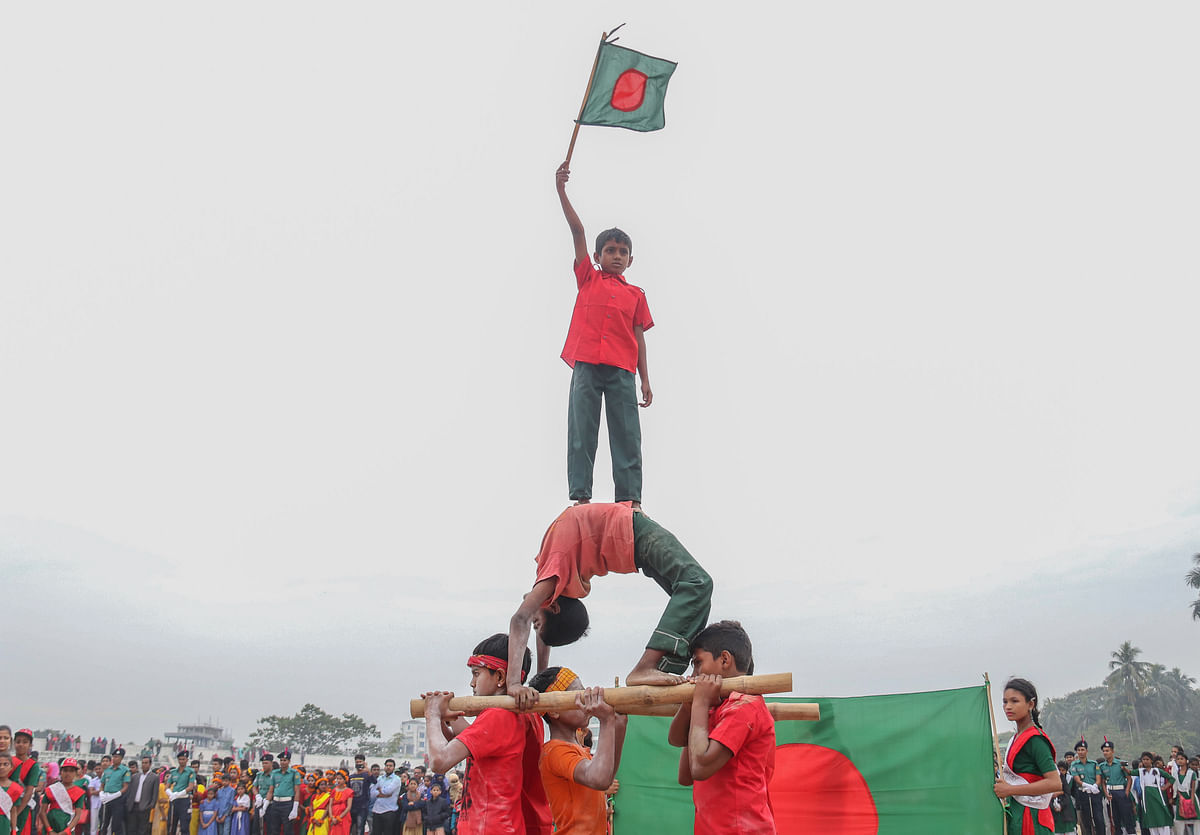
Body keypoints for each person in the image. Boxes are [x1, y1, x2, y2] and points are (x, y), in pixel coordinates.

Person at [508, 502, 713, 701]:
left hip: (633, 532)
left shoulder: (554, 569)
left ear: (553, 606)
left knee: (697, 585)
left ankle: (649, 667)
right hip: (632, 540)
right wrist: (541, 680)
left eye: (536, 624)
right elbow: (542, 630)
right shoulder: (553, 582)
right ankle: (662, 668)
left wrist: (514, 684)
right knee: (693, 596)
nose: (534, 621)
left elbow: (521, 618)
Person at [553, 161, 655, 510]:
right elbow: (578, 232)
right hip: (586, 364)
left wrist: (645, 379)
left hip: (622, 371)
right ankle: (581, 497)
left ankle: (630, 500)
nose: (616, 256)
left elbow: (639, 337)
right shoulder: (588, 278)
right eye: (610, 251)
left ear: (630, 259)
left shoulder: (636, 295)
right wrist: (561, 190)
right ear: (597, 257)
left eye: (622, 252)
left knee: (627, 433)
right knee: (582, 430)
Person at [422, 634, 552, 835]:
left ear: (500, 677)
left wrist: (432, 714)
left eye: (476, 674)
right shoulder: (525, 714)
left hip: (488, 827)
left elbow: (439, 762)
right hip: (505, 825)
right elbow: (477, 742)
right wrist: (446, 719)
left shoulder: (497, 715)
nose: (472, 683)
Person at [668, 621, 775, 835]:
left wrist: (699, 704)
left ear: (724, 659)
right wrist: (691, 707)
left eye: (698, 663)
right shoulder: (716, 707)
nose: (693, 674)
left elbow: (700, 768)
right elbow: (685, 773)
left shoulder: (746, 705)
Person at [526, 666, 626, 835]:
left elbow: (606, 777)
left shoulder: (578, 750)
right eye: (577, 695)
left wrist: (619, 723)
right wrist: (607, 721)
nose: (585, 702)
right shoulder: (555, 751)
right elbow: (599, 779)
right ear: (554, 710)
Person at [992, 678, 1059, 835]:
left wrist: (1009, 789)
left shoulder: (1035, 739)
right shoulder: (1015, 738)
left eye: (1014, 701)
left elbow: (1055, 783)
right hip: (1017, 814)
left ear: (1031, 704)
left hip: (1032, 818)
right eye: (1005, 701)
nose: (1008, 706)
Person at [39, 759, 87, 835]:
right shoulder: (51, 789)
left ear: (75, 773)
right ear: (61, 772)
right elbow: (42, 812)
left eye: (71, 771)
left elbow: (78, 815)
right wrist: (49, 830)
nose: (68, 773)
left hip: (67, 826)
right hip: (50, 825)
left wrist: (67, 831)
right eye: (65, 770)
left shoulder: (79, 792)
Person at [11, 730, 43, 835]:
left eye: (25, 742)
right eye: (18, 741)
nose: (21, 744)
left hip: (22, 807)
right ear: (14, 743)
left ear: (30, 745)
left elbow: (29, 792)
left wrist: (15, 813)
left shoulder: (33, 765)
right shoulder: (7, 762)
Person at [1099, 740, 1134, 835]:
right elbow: (1102, 782)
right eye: (1104, 751)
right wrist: (1106, 794)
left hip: (1121, 791)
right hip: (1110, 794)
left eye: (1107, 750)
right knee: (1115, 818)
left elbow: (1129, 778)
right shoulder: (1102, 766)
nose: (1105, 753)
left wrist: (1126, 791)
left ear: (1112, 751)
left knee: (1127, 817)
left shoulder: (1121, 763)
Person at [1069, 740, 1103, 835]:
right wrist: (1086, 785)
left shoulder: (1093, 764)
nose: (1080, 752)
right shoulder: (1074, 765)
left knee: (1099, 818)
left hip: (1095, 792)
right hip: (1082, 793)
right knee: (1086, 819)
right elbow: (1077, 779)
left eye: (1082, 749)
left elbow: (1098, 777)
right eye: (1078, 750)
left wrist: (1095, 786)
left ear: (1086, 751)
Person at [1137, 752, 1174, 835]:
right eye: (1144, 759)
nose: (1145, 761)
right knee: (1151, 819)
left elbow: (1171, 779)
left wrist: (1165, 787)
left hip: (1158, 796)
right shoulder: (1141, 772)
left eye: (1147, 759)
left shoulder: (1157, 771)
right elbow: (1130, 773)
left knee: (1161, 815)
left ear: (1151, 760)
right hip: (1147, 799)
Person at [263, 755, 301, 835]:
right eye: (281, 760)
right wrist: (265, 806)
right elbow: (271, 791)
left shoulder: (294, 773)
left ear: (289, 761)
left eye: (285, 760)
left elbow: (297, 791)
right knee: (274, 829)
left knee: (288, 829)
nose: (282, 762)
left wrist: (295, 808)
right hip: (275, 803)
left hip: (287, 803)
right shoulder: (275, 773)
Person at [165, 753, 196, 835]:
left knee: (184, 826)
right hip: (174, 800)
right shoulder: (173, 772)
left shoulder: (190, 771)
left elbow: (190, 787)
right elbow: (167, 786)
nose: (181, 761)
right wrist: (170, 794)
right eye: (180, 759)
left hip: (184, 800)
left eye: (183, 759)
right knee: (171, 825)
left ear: (187, 760)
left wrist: (178, 794)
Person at [126, 758, 158, 835]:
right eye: (143, 763)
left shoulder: (154, 777)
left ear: (150, 764)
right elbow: (129, 791)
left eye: (146, 763)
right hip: (133, 806)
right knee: (131, 829)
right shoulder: (135, 776)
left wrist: (151, 806)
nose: (144, 764)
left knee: (142, 830)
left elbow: (155, 793)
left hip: (145, 807)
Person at [369, 761, 400, 835]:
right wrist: (383, 794)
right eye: (387, 765)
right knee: (376, 832)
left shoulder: (396, 779)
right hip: (377, 810)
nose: (388, 767)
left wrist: (380, 791)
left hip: (389, 810)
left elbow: (388, 790)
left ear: (393, 767)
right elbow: (372, 793)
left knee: (388, 832)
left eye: (390, 765)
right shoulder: (380, 778)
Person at [344, 759, 370, 835]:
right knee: (349, 828)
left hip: (362, 807)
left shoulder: (366, 776)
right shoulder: (351, 777)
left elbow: (374, 781)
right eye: (357, 763)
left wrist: (367, 769)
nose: (359, 764)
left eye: (360, 762)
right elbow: (348, 790)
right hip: (351, 806)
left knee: (360, 828)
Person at [1050, 761, 1077, 834]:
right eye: (1059, 770)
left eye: (1063, 770)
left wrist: (1061, 804)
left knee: (1069, 830)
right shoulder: (1050, 779)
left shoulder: (1069, 779)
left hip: (1066, 807)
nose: (1061, 772)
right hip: (1053, 808)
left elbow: (1068, 793)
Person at [3, 753, 26, 835]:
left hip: (4, 824)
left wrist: (13, 829)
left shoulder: (15, 788)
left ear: (11, 767)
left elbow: (13, 810)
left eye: (5, 764)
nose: (2, 767)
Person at [1175, 752, 1197, 835]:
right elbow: (1175, 786)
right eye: (1178, 759)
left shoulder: (1191, 773)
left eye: (1182, 759)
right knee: (1180, 822)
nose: (1180, 761)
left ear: (1186, 760)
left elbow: (1193, 787)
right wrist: (1179, 796)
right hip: (1180, 798)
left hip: (1189, 797)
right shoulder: (1176, 773)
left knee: (1191, 821)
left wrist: (1191, 800)